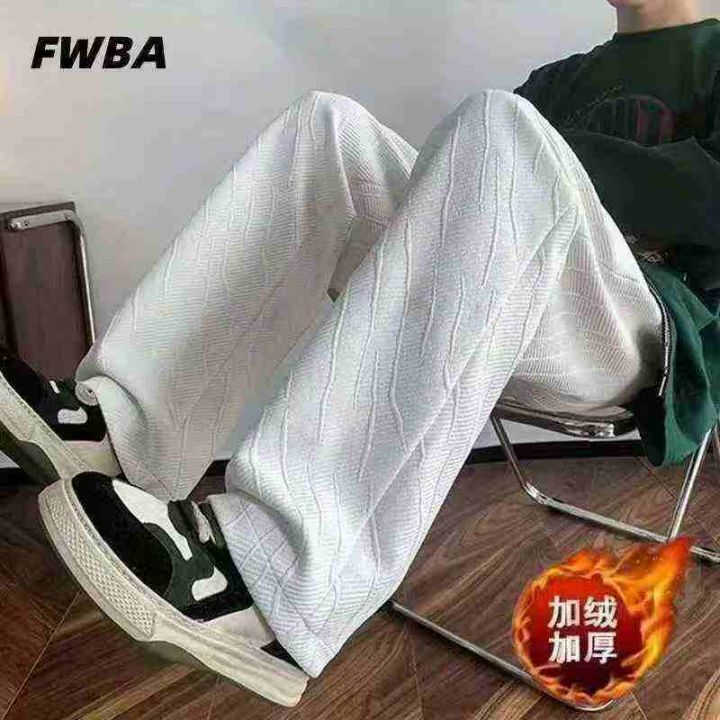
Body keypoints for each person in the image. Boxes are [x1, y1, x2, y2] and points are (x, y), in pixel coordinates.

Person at [3, 0, 717, 707]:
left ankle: (273, 582)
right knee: (329, 130)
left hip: (645, 331)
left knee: (502, 127)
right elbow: (466, 190)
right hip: (513, 307)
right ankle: (122, 432)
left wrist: (561, 163)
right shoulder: (561, 80)